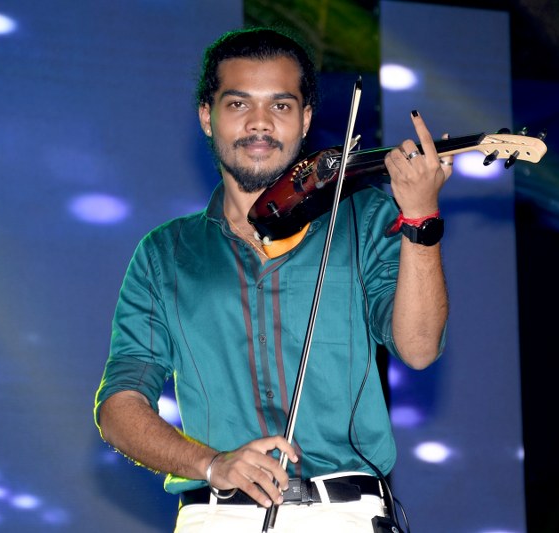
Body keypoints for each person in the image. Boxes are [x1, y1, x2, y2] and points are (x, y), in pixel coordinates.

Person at [94, 27, 450, 533]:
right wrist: (211, 464)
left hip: (344, 514)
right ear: (207, 116)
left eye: (280, 106)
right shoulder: (165, 253)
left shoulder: (364, 217)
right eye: (238, 104)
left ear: (305, 119)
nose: (259, 123)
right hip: (216, 516)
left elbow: (418, 347)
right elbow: (119, 406)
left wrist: (421, 218)